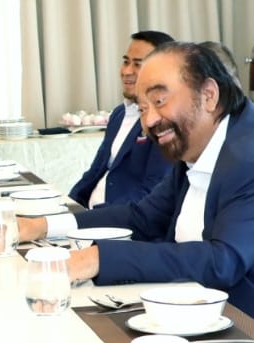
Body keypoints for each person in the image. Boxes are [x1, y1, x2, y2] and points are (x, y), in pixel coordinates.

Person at [18, 42, 254, 343]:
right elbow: (141, 218)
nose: (149, 121)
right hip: (206, 312)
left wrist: (98, 258)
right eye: (143, 108)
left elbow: (222, 261)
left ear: (208, 95)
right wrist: (41, 226)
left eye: (159, 101)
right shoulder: (202, 144)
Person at [67, 30, 175, 209]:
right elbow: (95, 172)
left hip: (120, 220)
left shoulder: (165, 121)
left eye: (138, 64)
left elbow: (152, 191)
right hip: (90, 213)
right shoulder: (119, 114)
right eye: (126, 62)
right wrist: (67, 206)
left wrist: (93, 218)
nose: (126, 71)